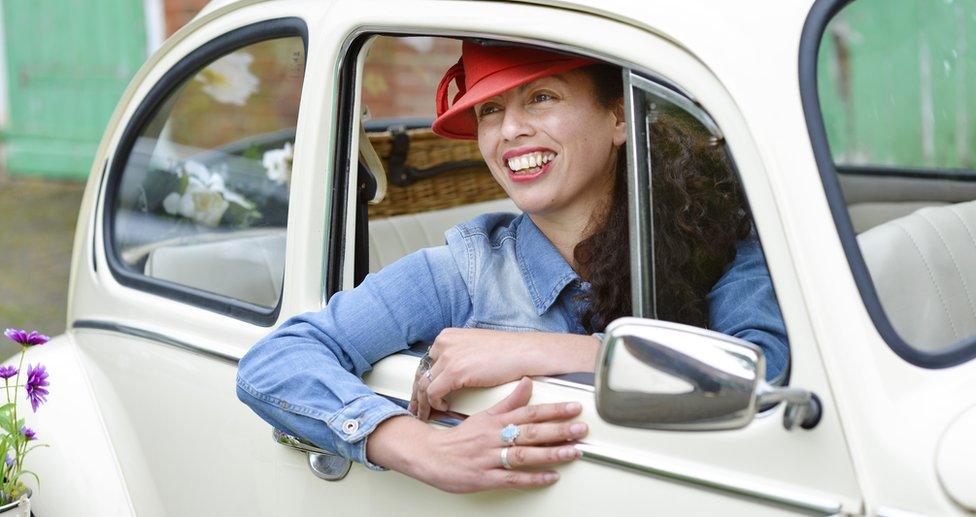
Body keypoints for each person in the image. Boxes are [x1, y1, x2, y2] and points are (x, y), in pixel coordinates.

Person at [236, 40, 789, 493]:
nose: (509, 131)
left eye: (541, 98)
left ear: (619, 116)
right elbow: (277, 359)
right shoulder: (466, 267)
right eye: (491, 110)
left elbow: (765, 381)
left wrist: (542, 351)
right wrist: (419, 446)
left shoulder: (719, 240)